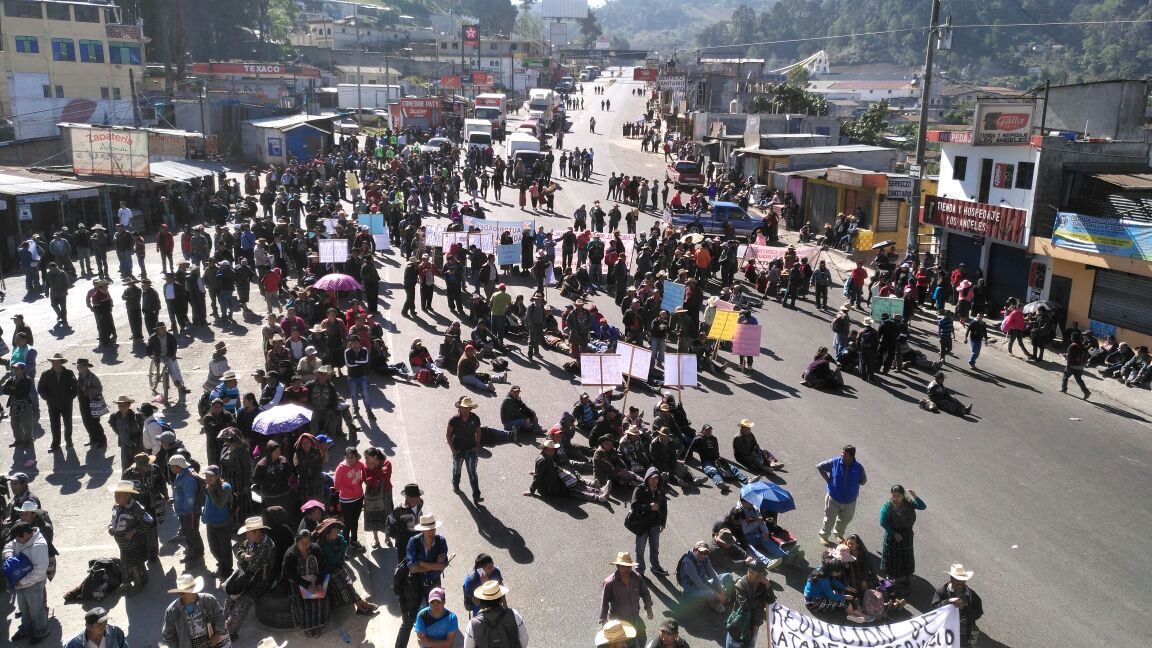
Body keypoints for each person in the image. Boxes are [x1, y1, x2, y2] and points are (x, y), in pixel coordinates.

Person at [223, 516, 277, 641]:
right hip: (247, 575)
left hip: (261, 580)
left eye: (248, 533)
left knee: (243, 601)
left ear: (257, 532)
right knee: (231, 595)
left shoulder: (266, 546)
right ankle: (223, 623)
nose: (246, 536)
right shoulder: (252, 540)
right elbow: (239, 550)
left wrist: (243, 560)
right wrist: (244, 556)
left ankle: (229, 632)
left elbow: (252, 567)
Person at [3, 522, 50, 642]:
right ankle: (26, 628)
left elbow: (40, 571)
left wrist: (22, 582)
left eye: (18, 538)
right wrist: (9, 557)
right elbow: (9, 545)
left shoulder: (38, 546)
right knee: (24, 608)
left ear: (25, 534)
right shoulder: (21, 538)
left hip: (34, 584)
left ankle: (41, 631)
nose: (16, 541)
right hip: (19, 582)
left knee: (36, 610)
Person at [879, 484, 926, 598]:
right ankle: (891, 578)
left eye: (898, 496)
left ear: (903, 496)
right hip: (892, 537)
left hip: (906, 537)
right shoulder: (887, 506)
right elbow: (883, 522)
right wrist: (894, 533)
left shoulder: (909, 503)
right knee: (892, 558)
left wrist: (915, 496)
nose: (895, 498)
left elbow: (922, 506)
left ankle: (904, 579)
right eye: (893, 495)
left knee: (905, 557)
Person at [281, 527, 329, 638]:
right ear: (297, 541)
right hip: (296, 582)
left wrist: (319, 582)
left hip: (314, 578)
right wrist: (307, 585)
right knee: (304, 603)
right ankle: (307, 627)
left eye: (308, 542)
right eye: (302, 542)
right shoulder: (291, 554)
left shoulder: (315, 549)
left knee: (321, 598)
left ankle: (317, 625)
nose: (305, 545)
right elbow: (291, 574)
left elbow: (323, 566)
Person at [599, 551, 654, 645]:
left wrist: (648, 608)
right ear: (618, 567)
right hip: (619, 620)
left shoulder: (637, 578)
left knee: (642, 639)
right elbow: (604, 603)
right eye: (623, 567)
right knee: (623, 644)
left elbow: (645, 593)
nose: (627, 569)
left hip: (635, 617)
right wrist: (603, 622)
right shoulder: (610, 583)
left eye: (629, 566)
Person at [817, 445, 867, 545]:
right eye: (842, 453)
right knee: (829, 519)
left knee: (844, 520)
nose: (842, 455)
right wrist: (828, 480)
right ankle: (824, 536)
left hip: (850, 502)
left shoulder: (859, 468)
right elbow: (820, 466)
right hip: (833, 498)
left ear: (851, 456)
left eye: (844, 454)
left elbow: (863, 481)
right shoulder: (835, 462)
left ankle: (838, 534)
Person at [107, 479, 152, 590]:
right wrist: (110, 527)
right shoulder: (116, 506)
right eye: (115, 494)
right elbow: (113, 520)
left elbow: (148, 522)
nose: (117, 497)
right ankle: (126, 583)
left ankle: (140, 584)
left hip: (133, 544)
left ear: (128, 495)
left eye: (120, 495)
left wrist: (134, 531)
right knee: (124, 564)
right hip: (122, 544)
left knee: (136, 564)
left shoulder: (135, 508)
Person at [161, 574, 227, 648]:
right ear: (182, 594)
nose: (195, 592)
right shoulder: (172, 611)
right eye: (191, 591)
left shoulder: (209, 600)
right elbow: (168, 635)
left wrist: (217, 634)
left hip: (211, 642)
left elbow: (219, 615)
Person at [684, 424, 752, 495]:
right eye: (707, 431)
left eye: (710, 431)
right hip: (706, 462)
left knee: (732, 468)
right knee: (712, 470)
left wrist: (720, 460)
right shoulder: (698, 439)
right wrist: (685, 459)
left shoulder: (714, 439)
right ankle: (720, 483)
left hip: (717, 460)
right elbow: (690, 449)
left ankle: (747, 480)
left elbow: (716, 450)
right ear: (703, 431)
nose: (709, 432)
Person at [463, 581, 529, 648]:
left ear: (482, 601)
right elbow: (524, 640)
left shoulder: (473, 624)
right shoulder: (514, 615)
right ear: (501, 598)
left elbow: (468, 646)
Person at [725, 561, 776, 648]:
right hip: (739, 623)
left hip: (754, 623)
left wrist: (768, 585)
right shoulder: (741, 583)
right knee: (733, 645)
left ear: (760, 574)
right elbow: (746, 605)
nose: (748, 574)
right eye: (748, 571)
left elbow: (771, 601)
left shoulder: (764, 584)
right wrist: (763, 601)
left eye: (752, 573)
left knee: (749, 646)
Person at [932, 564, 983, 648]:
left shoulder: (972, 595)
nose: (960, 583)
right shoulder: (941, 591)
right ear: (951, 579)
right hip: (945, 631)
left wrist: (964, 608)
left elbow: (978, 613)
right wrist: (948, 602)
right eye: (958, 580)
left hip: (963, 635)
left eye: (963, 580)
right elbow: (934, 609)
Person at [631, 467, 669, 576]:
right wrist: (649, 507)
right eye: (652, 478)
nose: (654, 480)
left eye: (656, 478)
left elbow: (664, 507)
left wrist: (663, 523)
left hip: (655, 525)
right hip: (641, 525)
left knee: (655, 548)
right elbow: (634, 505)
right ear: (647, 478)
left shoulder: (660, 491)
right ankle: (640, 571)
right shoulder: (639, 489)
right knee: (640, 549)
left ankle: (655, 567)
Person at [447, 396, 484, 505]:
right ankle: (456, 485)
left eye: (467, 408)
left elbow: (478, 432)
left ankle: (476, 495)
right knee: (457, 470)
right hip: (458, 450)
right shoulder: (454, 420)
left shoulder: (475, 418)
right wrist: (453, 450)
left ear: (470, 409)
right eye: (463, 407)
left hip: (471, 450)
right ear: (460, 408)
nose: (464, 410)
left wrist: (477, 446)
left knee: (472, 473)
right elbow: (448, 435)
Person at [676, 541, 730, 612]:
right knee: (708, 593)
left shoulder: (705, 558)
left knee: (727, 576)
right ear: (695, 550)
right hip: (692, 590)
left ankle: (719, 597)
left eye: (706, 553)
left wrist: (722, 591)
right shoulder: (688, 563)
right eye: (701, 552)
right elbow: (699, 584)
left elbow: (713, 573)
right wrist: (717, 594)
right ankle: (714, 602)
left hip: (705, 583)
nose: (703, 555)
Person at [201, 465, 235, 578]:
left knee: (225, 549)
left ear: (217, 476)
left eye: (210, 476)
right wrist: (204, 515)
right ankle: (222, 566)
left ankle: (227, 572)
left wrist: (210, 491)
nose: (207, 478)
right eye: (206, 476)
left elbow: (220, 504)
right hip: (210, 523)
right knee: (214, 549)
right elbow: (207, 504)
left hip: (223, 524)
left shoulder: (225, 487)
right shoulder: (208, 486)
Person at [334, 446, 368, 551]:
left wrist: (361, 483)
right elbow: (337, 486)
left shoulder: (360, 464)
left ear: (356, 457)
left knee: (355, 521)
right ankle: (345, 545)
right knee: (347, 523)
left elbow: (365, 473)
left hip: (359, 498)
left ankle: (353, 541)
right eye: (347, 457)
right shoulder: (341, 468)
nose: (349, 459)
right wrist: (350, 490)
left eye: (352, 457)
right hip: (347, 501)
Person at [76, 358, 109, 448]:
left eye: (80, 366)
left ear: (86, 367)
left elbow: (99, 389)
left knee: (94, 423)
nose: (78, 368)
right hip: (83, 402)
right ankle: (93, 439)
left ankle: (102, 441)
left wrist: (88, 390)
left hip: (92, 402)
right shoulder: (80, 376)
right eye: (78, 366)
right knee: (86, 422)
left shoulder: (92, 377)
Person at [3, 362, 36, 449]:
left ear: (23, 370)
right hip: (14, 404)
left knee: (26, 425)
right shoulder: (12, 379)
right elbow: (4, 391)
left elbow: (21, 392)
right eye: (14, 368)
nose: (15, 370)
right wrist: (13, 389)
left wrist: (11, 388)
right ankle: (18, 440)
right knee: (14, 424)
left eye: (17, 369)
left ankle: (28, 441)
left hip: (24, 405)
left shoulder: (28, 380)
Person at [64, 607, 129, 648]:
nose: (105, 626)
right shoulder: (72, 645)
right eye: (100, 624)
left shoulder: (116, 632)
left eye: (106, 622)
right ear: (88, 626)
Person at [1061, 331, 1092, 399]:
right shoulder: (1082, 346)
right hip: (1080, 366)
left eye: (1071, 337)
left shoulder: (1072, 346)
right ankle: (1086, 392)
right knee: (1079, 380)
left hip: (1072, 366)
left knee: (1065, 376)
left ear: (1072, 338)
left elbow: (1069, 358)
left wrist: (1068, 366)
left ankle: (1064, 389)